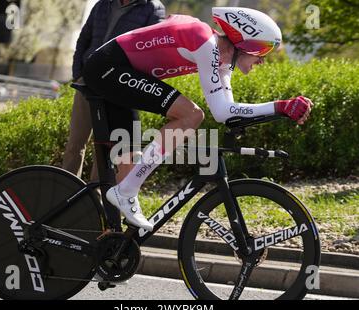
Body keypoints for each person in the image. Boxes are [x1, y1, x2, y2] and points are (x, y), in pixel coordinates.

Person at [82, 7, 313, 231]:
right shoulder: (205, 43)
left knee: (130, 162)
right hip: (108, 68)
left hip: (121, 72)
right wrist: (280, 106)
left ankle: (112, 243)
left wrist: (280, 111)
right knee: (191, 115)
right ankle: (125, 193)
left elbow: (226, 112)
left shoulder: (223, 62)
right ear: (244, 42)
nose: (263, 60)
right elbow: (221, 111)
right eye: (262, 51)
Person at [63, 0, 166, 182]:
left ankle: (96, 202)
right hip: (87, 82)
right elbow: (84, 38)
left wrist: (127, 83)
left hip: (116, 85)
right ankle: (66, 195)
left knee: (104, 148)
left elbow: (154, 52)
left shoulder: (153, 8)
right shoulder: (103, 4)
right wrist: (78, 74)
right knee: (75, 144)